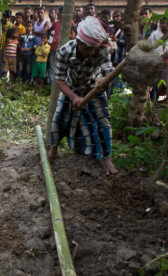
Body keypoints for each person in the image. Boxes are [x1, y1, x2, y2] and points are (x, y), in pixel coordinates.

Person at [48, 16, 118, 175]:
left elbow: (108, 71)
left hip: (94, 88)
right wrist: (73, 97)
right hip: (70, 87)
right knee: (60, 118)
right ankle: (54, 150)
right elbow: (59, 79)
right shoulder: (65, 51)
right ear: (79, 42)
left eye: (94, 48)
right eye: (88, 48)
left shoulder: (102, 50)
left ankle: (107, 159)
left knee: (103, 121)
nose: (92, 52)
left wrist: (103, 80)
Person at [149, 18, 168, 100]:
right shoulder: (153, 36)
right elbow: (151, 50)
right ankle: (154, 101)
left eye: (167, 23)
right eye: (162, 23)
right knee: (155, 82)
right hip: (156, 63)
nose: (164, 25)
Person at [0, 10, 13, 76]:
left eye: (8, 18)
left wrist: (5, 49)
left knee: (1, 63)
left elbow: (8, 38)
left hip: (3, 47)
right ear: (3, 16)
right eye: (5, 17)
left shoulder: (10, 25)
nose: (7, 19)